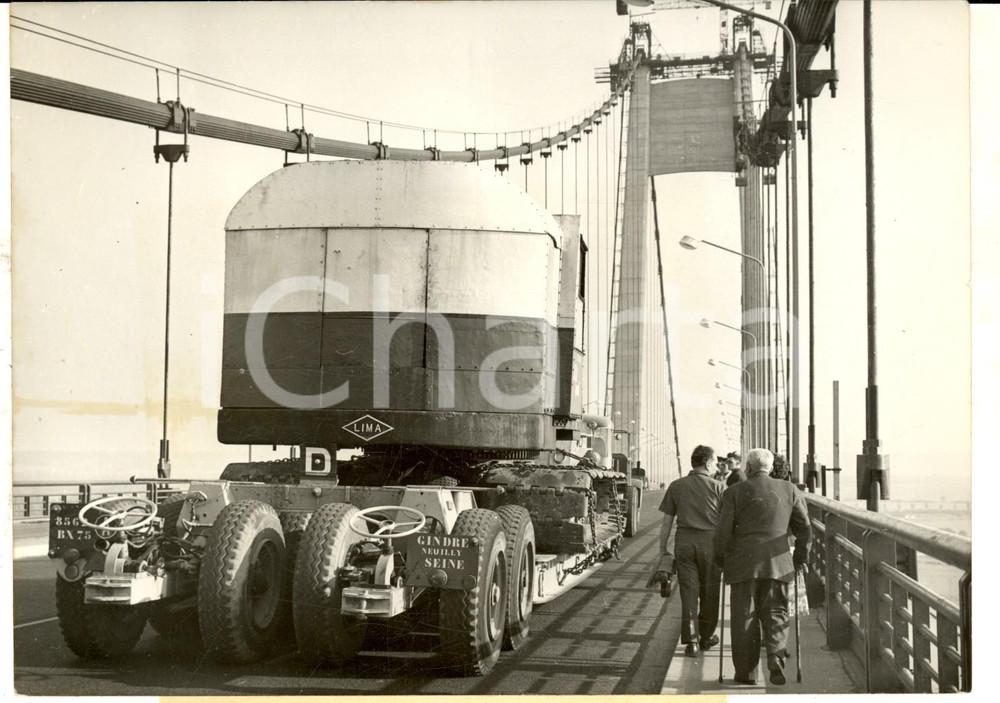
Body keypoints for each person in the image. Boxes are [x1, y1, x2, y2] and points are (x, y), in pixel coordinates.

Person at [714, 448, 811, 686]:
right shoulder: (790, 490)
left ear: (747, 468)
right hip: (779, 563)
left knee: (744, 617)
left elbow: (723, 532)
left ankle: (747, 673)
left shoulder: (734, 491)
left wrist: (720, 559)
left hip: (742, 564)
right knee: (776, 611)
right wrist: (799, 559)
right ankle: (776, 655)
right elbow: (805, 530)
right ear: (769, 467)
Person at [658, 445, 725, 657]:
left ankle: (691, 641)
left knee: (688, 593)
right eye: (714, 463)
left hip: (684, 543)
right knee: (710, 592)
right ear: (707, 463)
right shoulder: (719, 487)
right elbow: (726, 523)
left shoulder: (676, 486)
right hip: (710, 544)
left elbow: (666, 523)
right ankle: (706, 637)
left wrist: (663, 550)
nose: (716, 467)